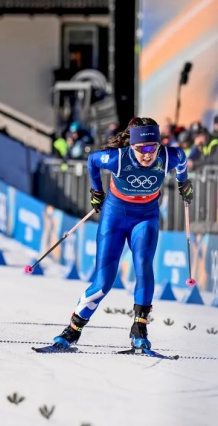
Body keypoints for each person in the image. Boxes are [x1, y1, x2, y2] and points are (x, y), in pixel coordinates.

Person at [53, 117, 193, 350]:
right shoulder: (117, 159)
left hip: (145, 217)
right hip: (115, 217)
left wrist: (183, 182)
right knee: (104, 281)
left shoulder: (169, 156)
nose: (148, 155)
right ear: (132, 146)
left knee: (143, 266)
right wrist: (97, 191)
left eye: (153, 148)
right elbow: (92, 160)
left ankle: (139, 329)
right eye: (142, 149)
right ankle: (73, 330)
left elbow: (182, 160)